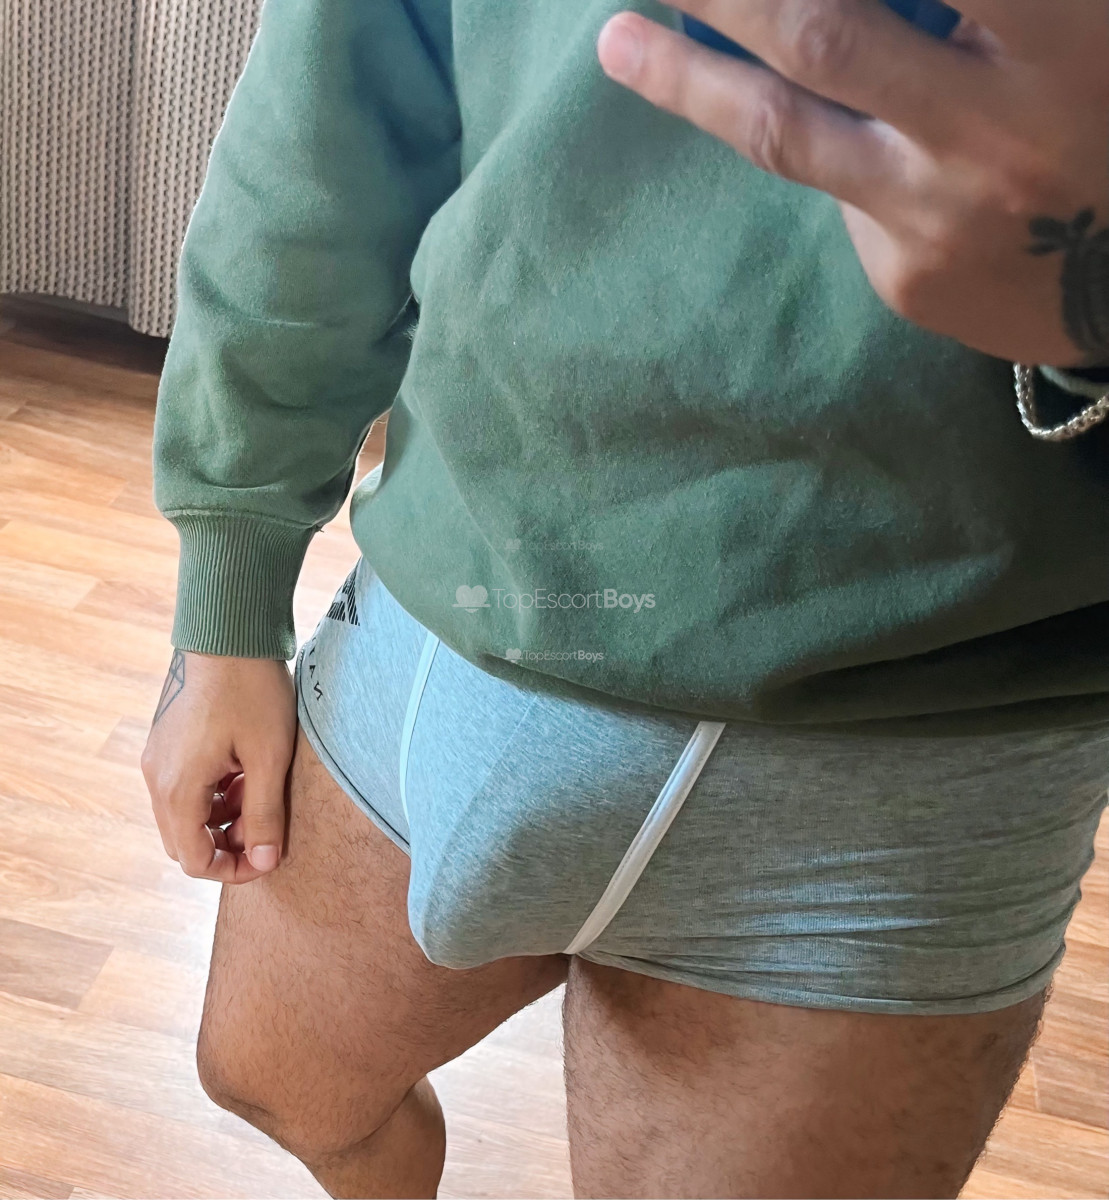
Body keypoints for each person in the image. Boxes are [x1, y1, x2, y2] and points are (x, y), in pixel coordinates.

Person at [141, 1, 1109, 1196]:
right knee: (264, 1078)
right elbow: (322, 120)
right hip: (456, 597)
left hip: (914, 754)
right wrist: (225, 601)